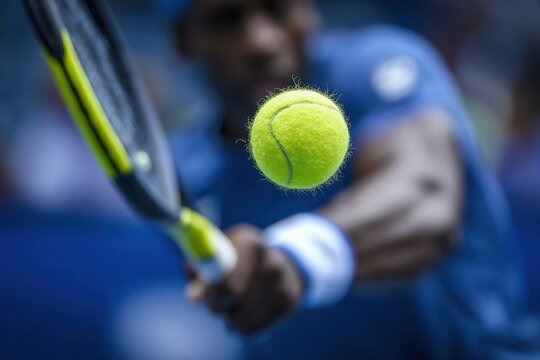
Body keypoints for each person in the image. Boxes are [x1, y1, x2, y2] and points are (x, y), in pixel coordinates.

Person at [163, 0, 540, 358]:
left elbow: (425, 196)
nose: (262, 41)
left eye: (277, 7)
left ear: (308, 11)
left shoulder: (381, 64)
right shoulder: (185, 173)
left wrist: (299, 258)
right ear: (183, 41)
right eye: (225, 20)